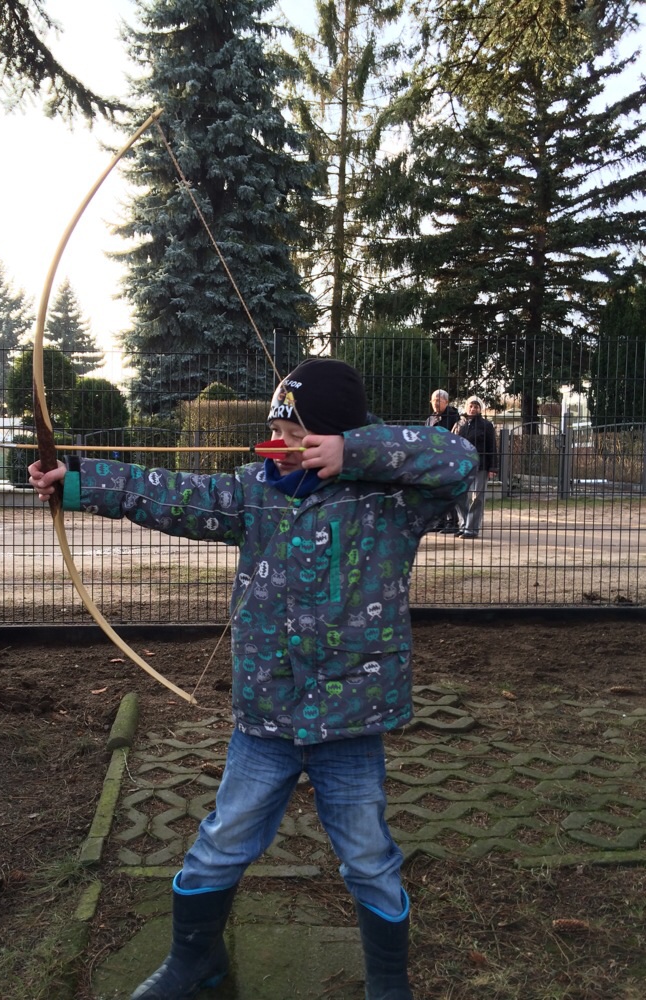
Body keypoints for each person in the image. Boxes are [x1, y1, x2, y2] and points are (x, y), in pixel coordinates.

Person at [29, 358, 478, 1000]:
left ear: (334, 435)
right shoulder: (255, 491)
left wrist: (353, 452)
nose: (276, 443)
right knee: (222, 842)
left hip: (350, 721)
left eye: (293, 433)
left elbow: (460, 458)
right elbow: (176, 495)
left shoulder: (392, 500)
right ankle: (196, 962)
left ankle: (388, 984)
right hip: (267, 716)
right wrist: (76, 482)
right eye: (274, 429)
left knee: (369, 858)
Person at [452, 396, 497, 539]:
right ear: (466, 407)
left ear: (480, 409)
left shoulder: (486, 425)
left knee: (477, 497)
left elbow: (492, 447)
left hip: (480, 465)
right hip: (462, 466)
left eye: (476, 407)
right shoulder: (461, 425)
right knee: (460, 495)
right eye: (471, 406)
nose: (473, 409)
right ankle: (464, 524)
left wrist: (493, 468)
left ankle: (472, 529)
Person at [424, 389, 460, 534]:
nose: (436, 403)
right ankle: (440, 521)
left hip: (449, 458)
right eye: (433, 400)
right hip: (433, 459)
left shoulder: (454, 417)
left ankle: (453, 521)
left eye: (439, 400)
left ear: (446, 402)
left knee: (448, 491)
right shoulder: (430, 419)